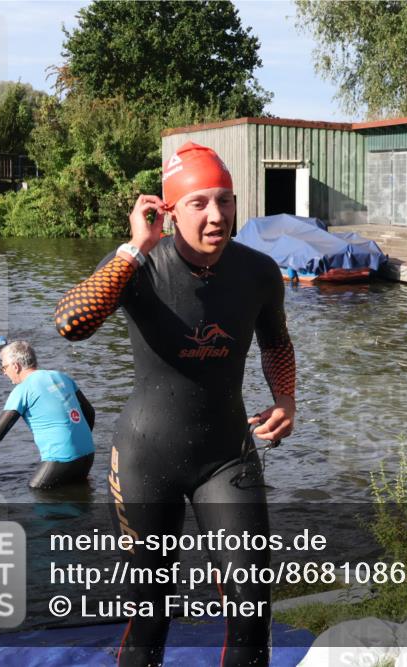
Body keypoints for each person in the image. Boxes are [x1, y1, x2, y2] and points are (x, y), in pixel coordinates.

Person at [54, 140, 296, 667]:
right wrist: (135, 247)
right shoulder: (139, 267)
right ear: (169, 209)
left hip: (227, 454)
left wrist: (286, 398)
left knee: (252, 608)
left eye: (226, 200)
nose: (217, 216)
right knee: (151, 609)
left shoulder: (257, 271)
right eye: (200, 203)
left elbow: (276, 341)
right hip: (147, 458)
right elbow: (70, 324)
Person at [0, 340, 96, 489]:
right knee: (76, 498)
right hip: (88, 454)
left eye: (4, 367)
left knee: (38, 494)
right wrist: (78, 443)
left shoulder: (23, 390)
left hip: (61, 457)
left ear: (15, 366)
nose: (4, 373)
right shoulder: (61, 376)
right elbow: (90, 413)